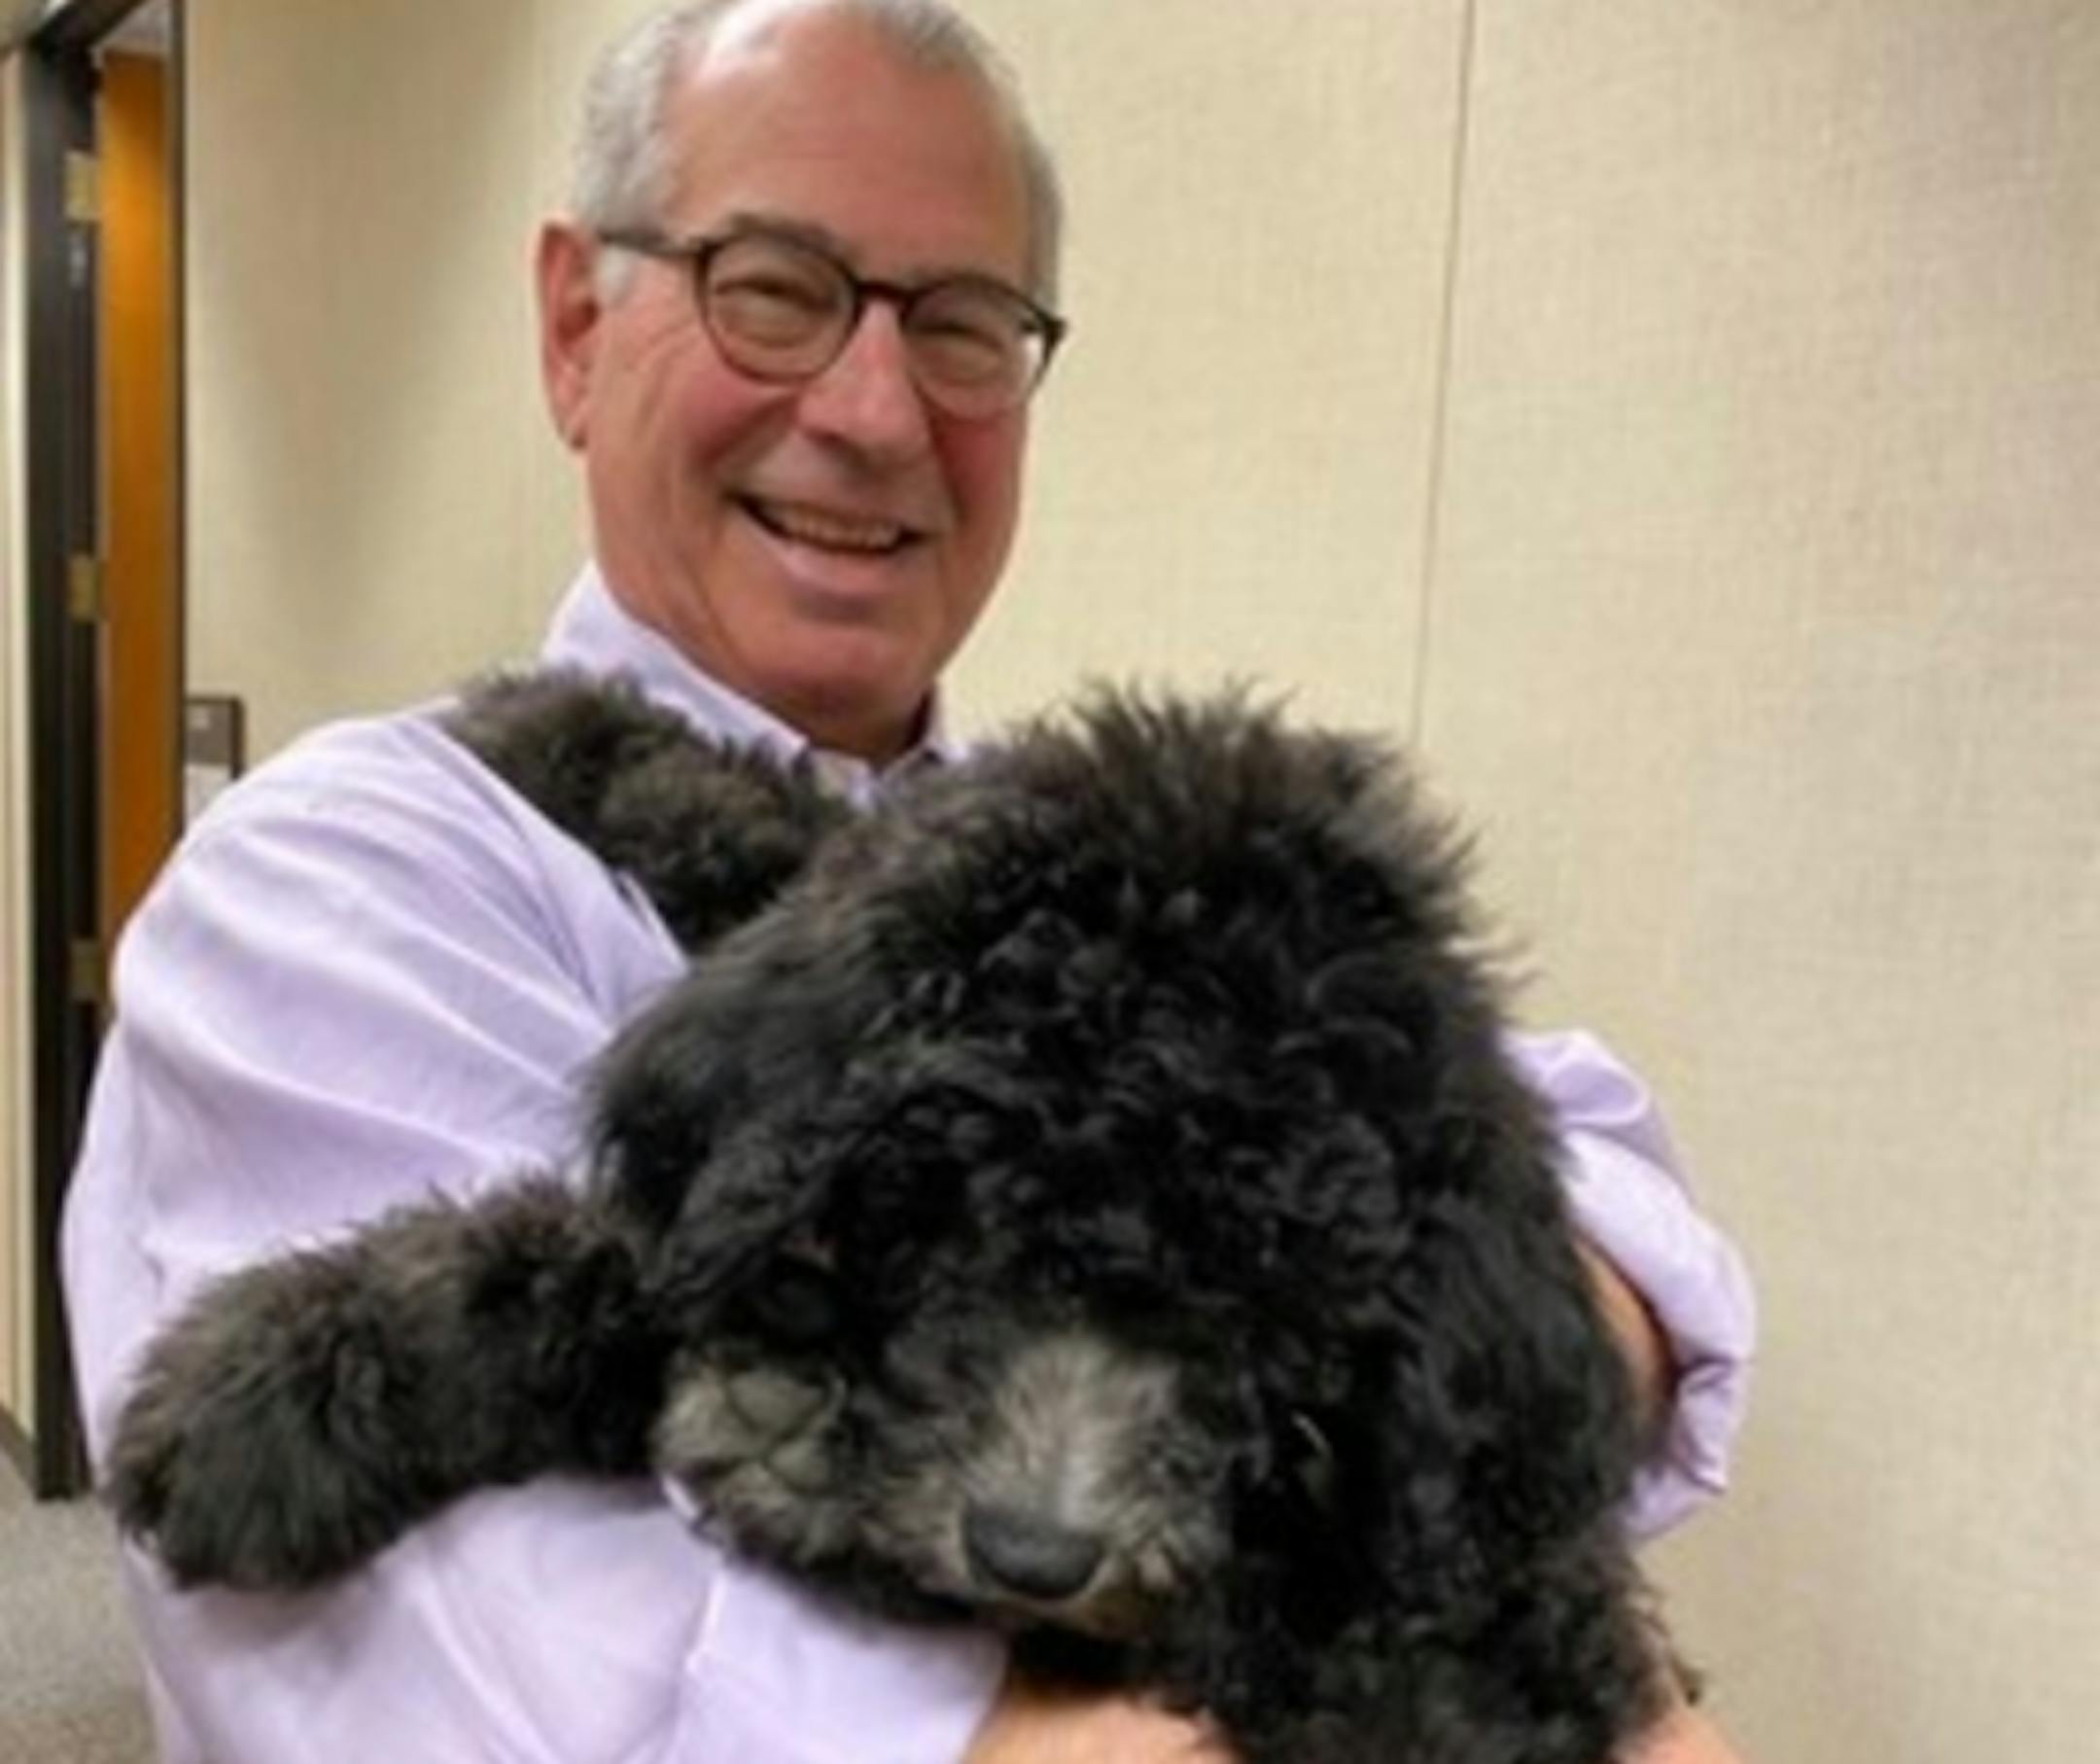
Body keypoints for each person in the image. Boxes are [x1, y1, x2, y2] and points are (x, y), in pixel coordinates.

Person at [62, 2, 1756, 1759]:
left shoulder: (1112, 874)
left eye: (960, 326)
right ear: (576, 326)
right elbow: (536, 1691)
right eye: (772, 289)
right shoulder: (338, 874)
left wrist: (1506, 1358)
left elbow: (1585, 1158)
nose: (874, 411)